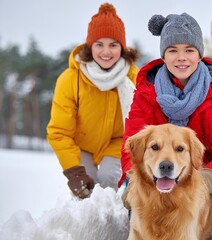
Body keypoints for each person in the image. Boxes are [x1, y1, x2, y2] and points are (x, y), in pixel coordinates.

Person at [119, 13, 212, 240]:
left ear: (199, 54)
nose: (181, 58)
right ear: (163, 55)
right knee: (137, 191)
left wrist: (209, 176)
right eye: (173, 50)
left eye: (189, 50)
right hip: (161, 166)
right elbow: (132, 148)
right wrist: (130, 178)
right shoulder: (146, 92)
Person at [47, 3, 139, 199]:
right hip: (81, 145)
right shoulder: (70, 79)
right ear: (90, 46)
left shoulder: (133, 78)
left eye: (113, 45)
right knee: (85, 191)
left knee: (108, 181)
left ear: (122, 48)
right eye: (99, 44)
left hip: (117, 143)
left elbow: (143, 123)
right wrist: (74, 172)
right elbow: (59, 132)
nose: (106, 52)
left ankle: (117, 224)